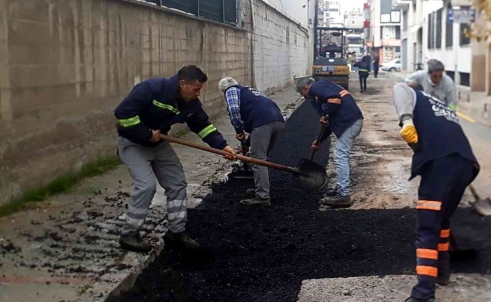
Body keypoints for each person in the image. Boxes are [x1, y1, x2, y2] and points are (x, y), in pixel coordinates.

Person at [114, 65, 237, 252]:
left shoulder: (191, 104)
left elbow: (202, 126)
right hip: (132, 144)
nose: (198, 94)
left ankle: (176, 232)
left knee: (177, 183)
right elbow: (123, 113)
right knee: (146, 186)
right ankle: (129, 234)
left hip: (159, 145)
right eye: (196, 89)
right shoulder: (153, 88)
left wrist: (223, 146)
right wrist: (145, 134)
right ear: (182, 84)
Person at [392, 82, 480, 302]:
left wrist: (406, 119)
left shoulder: (413, 95)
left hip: (442, 165)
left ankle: (423, 294)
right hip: (467, 164)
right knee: (441, 222)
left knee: (427, 228)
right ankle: (442, 272)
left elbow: (399, 87)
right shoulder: (439, 107)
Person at [295, 77, 364, 208]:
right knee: (340, 155)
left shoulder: (317, 87)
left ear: (305, 88)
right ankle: (340, 188)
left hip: (349, 122)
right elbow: (327, 123)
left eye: (301, 93)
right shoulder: (320, 96)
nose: (302, 96)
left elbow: (335, 100)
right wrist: (319, 140)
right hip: (349, 122)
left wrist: (325, 114)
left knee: (340, 155)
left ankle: (344, 195)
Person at [218, 77, 285, 207]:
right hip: (278, 121)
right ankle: (260, 188)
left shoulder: (231, 90)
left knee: (257, 160)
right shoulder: (249, 90)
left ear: (223, 90)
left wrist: (239, 130)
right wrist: (247, 143)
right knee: (263, 158)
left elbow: (234, 110)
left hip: (263, 123)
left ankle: (262, 197)